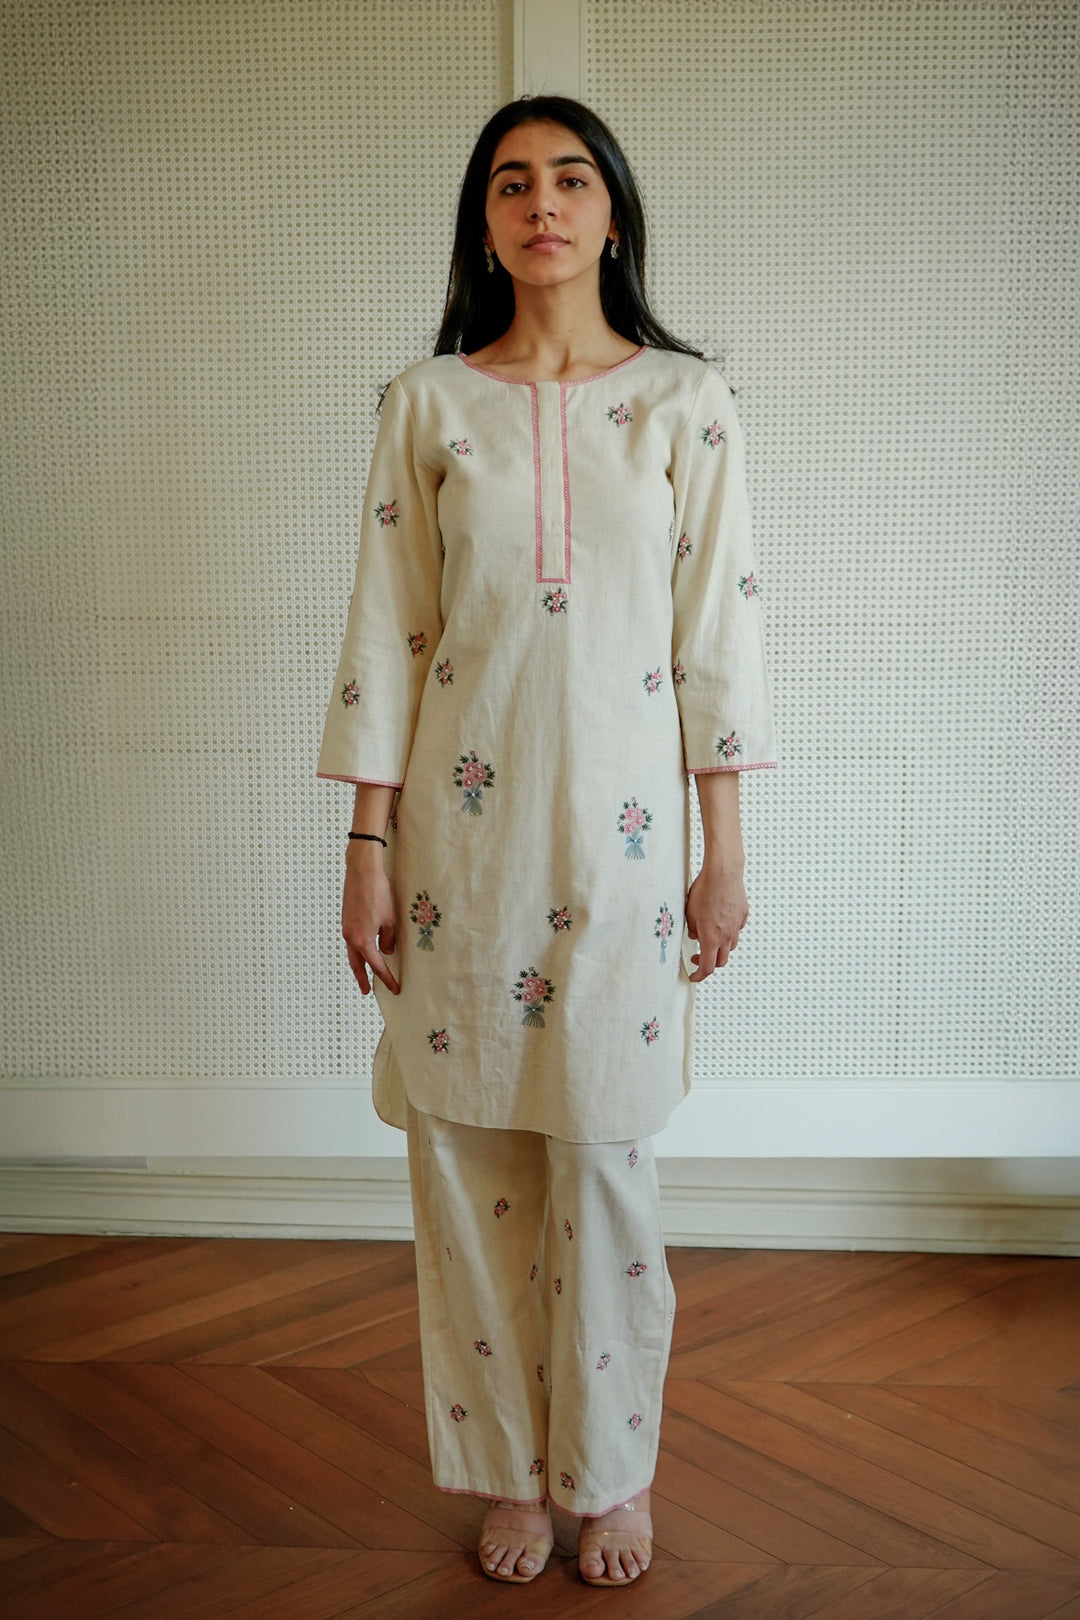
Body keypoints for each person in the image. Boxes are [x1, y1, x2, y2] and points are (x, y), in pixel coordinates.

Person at [316, 94, 776, 1587]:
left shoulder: (689, 405)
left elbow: (719, 648)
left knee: (606, 1165)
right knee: (466, 1165)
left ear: (613, 213)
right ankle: (510, 1468)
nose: (542, 204)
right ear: (487, 221)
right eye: (512, 184)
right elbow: (389, 636)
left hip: (626, 859)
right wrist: (367, 845)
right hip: (462, 856)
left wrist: (726, 849)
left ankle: (613, 1471)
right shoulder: (428, 405)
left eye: (570, 179)